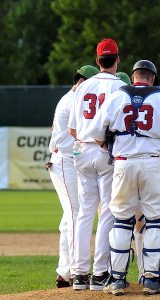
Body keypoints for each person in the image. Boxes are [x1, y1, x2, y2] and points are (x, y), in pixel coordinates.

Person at [86, 60, 160, 296]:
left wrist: (115, 141)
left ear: (133, 76)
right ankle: (151, 279)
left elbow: (96, 135)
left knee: (121, 220)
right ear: (152, 78)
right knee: (156, 220)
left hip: (123, 163)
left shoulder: (116, 97)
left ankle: (117, 280)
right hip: (151, 163)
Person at [68, 38, 127, 291]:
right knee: (108, 212)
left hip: (81, 150)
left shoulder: (83, 86)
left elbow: (72, 129)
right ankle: (100, 272)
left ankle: (79, 273)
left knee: (84, 213)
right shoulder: (121, 86)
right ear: (118, 60)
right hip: (105, 152)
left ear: (97, 61)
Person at [46, 65, 100, 288]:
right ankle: (74, 271)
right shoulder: (72, 100)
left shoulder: (73, 99)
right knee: (75, 215)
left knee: (71, 217)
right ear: (79, 82)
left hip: (70, 161)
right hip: (66, 163)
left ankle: (65, 271)